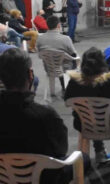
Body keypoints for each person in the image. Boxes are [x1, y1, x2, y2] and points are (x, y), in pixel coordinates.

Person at [0, 48, 74, 183]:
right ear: (30, 75)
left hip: (4, 175)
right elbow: (61, 150)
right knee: (84, 158)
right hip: (43, 177)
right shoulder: (45, 115)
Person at [65, 47, 110, 164]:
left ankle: (99, 152)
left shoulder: (74, 81)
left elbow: (67, 99)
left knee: (92, 115)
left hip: (84, 123)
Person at [37, 16, 77, 92]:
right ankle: (66, 86)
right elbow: (73, 53)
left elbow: (39, 52)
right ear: (58, 25)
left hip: (48, 67)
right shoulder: (66, 38)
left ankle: (62, 85)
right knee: (72, 61)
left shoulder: (40, 38)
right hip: (63, 67)